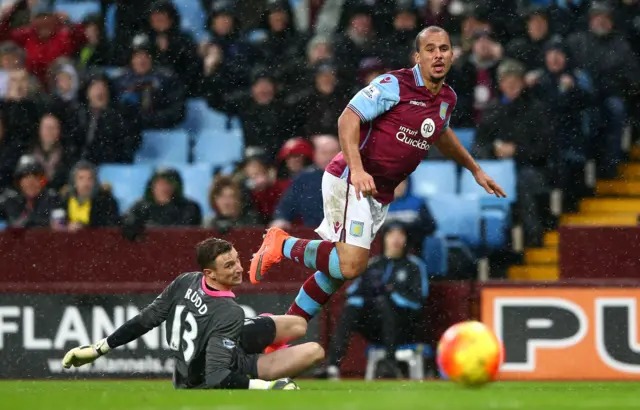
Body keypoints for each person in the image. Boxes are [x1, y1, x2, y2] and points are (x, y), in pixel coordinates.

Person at [249, 26, 506, 322]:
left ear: (452, 55)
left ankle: (288, 326)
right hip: (350, 178)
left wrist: (474, 169)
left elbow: (441, 133)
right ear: (417, 56)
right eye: (430, 49)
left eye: (444, 49)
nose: (438, 55)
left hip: (378, 193)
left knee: (338, 270)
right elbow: (348, 118)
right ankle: (281, 244)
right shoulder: (393, 84)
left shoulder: (447, 98)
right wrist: (357, 170)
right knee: (353, 264)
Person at [61, 238, 325, 390]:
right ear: (209, 274)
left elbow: (145, 320)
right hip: (218, 369)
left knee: (298, 325)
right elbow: (216, 377)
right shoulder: (228, 312)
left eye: (237, 259)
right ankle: (265, 359)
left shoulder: (186, 280)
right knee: (315, 351)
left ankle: (267, 348)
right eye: (229, 265)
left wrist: (98, 349)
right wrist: (268, 387)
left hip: (195, 361)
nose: (238, 268)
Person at [319, 222, 428, 380]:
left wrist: (392, 293)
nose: (396, 239)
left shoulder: (414, 266)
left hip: (405, 327)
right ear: (384, 238)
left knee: (385, 302)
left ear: (406, 239)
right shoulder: (373, 264)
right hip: (376, 327)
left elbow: (418, 302)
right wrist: (370, 297)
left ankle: (390, 364)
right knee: (351, 308)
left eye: (400, 234)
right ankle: (332, 367)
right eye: (391, 234)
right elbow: (352, 294)